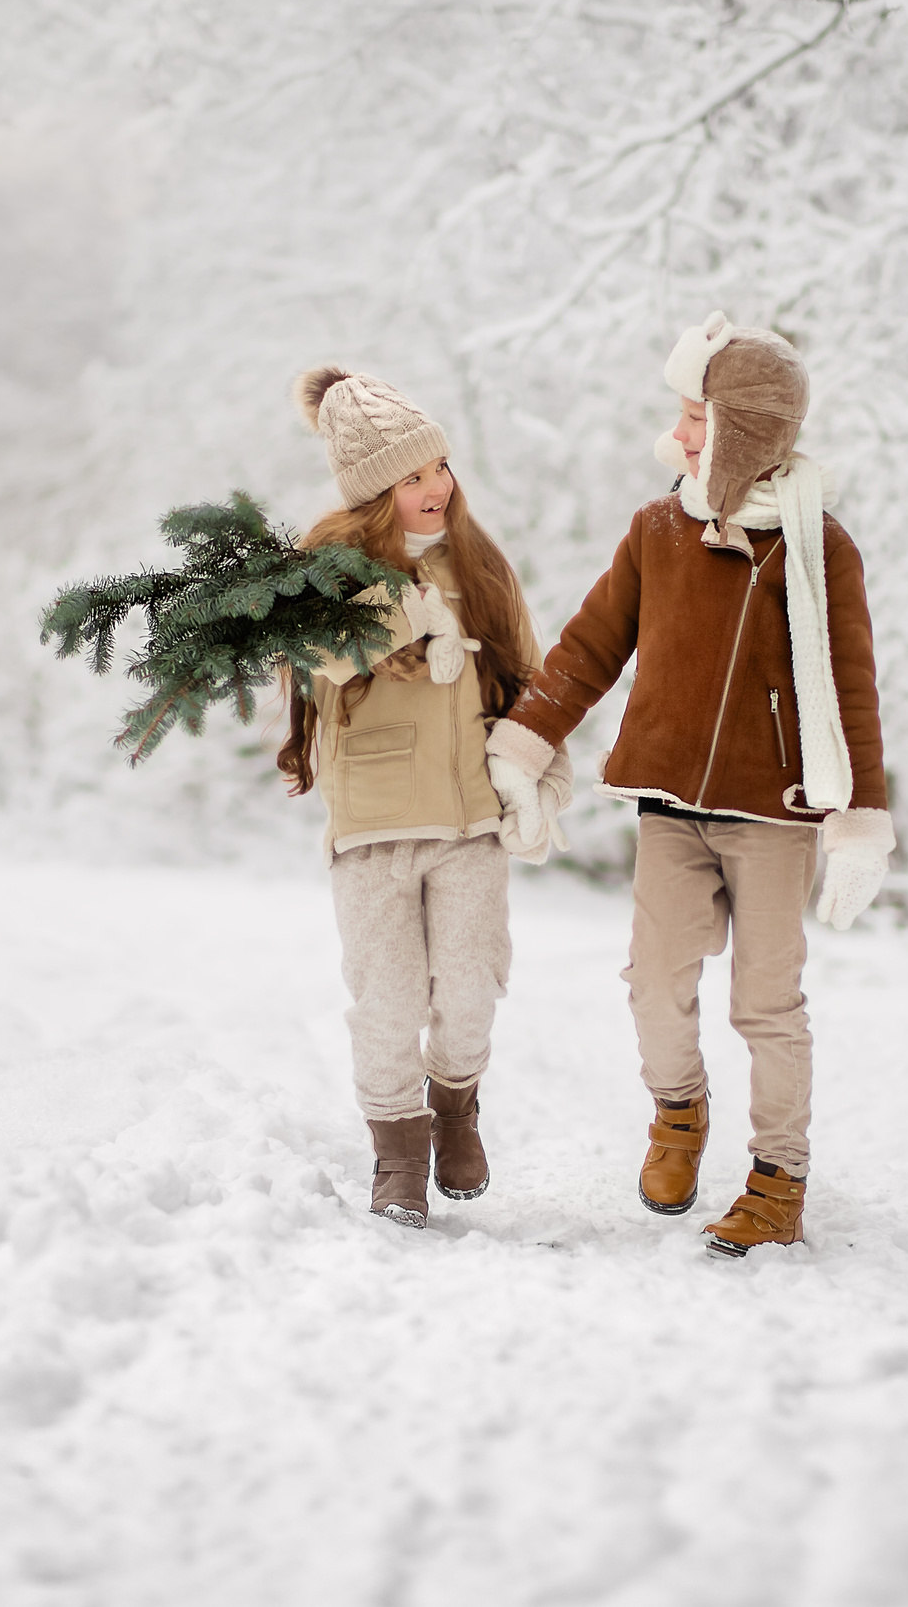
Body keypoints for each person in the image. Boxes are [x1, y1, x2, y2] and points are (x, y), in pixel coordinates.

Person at [484, 313, 893, 1259]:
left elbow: (851, 687)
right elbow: (590, 647)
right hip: (670, 805)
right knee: (654, 981)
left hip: (774, 815)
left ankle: (778, 1180)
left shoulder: (818, 549)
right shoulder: (658, 530)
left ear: (744, 429)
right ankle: (678, 1114)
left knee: (766, 1004)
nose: (678, 434)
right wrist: (526, 740)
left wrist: (859, 818)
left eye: (696, 417)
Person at [278, 366, 564, 1230]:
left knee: (471, 986)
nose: (435, 486)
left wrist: (542, 781)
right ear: (374, 495)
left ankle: (455, 1105)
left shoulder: (479, 564)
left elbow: (533, 681)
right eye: (410, 476)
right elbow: (322, 653)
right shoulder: (328, 574)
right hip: (371, 826)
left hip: (470, 819)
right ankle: (398, 1151)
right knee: (387, 999)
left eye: (438, 465)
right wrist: (411, 606)